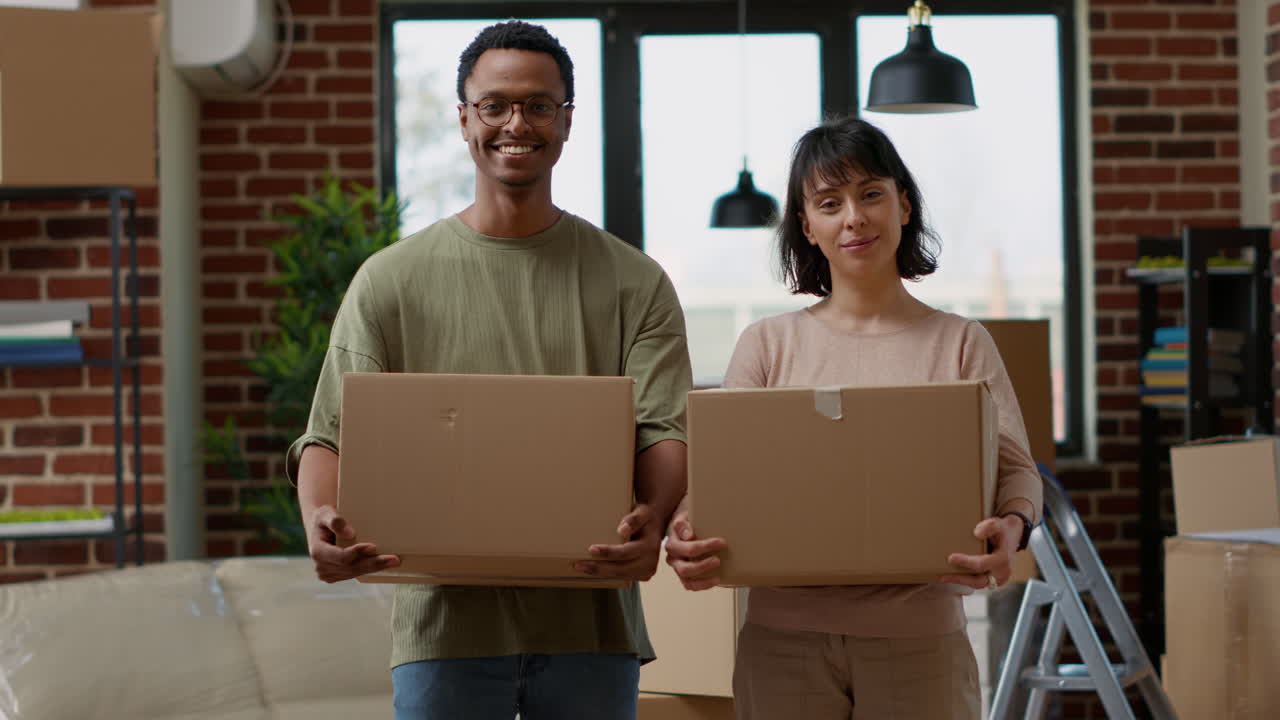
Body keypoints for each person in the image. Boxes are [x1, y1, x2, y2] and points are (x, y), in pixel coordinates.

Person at [285, 20, 692, 720]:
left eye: (539, 105)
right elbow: (330, 435)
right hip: (443, 628)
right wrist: (318, 516)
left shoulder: (635, 282)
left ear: (567, 122)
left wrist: (653, 519)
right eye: (495, 104)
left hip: (591, 623)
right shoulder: (390, 281)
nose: (516, 123)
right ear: (464, 118)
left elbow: (662, 430)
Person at [663, 116, 1042, 720]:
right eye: (829, 203)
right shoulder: (766, 345)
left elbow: (1018, 471)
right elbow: (719, 482)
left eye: (871, 194)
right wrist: (686, 528)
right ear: (807, 227)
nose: (854, 218)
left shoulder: (962, 342)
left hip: (920, 643)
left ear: (904, 204)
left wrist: (1014, 527)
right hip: (782, 645)